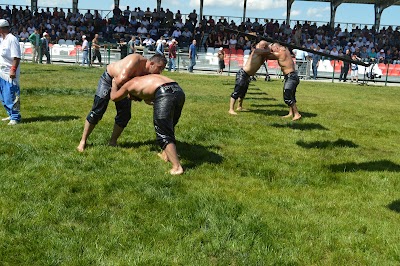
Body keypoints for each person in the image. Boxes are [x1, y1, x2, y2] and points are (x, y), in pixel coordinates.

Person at [77, 54, 167, 152]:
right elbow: (120, 80)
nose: (160, 72)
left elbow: (144, 91)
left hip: (125, 86)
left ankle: (112, 141)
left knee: (124, 115)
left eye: (162, 69)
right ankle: (83, 141)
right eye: (159, 68)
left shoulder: (149, 74)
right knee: (97, 111)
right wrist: (133, 94)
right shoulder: (136, 60)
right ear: (152, 63)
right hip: (109, 79)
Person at [110, 74, 185, 175]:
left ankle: (177, 167)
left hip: (164, 92)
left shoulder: (128, 85)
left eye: (131, 98)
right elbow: (151, 98)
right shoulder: (144, 80)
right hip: (178, 90)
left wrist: (114, 84)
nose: (132, 100)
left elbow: (114, 97)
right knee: (169, 125)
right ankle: (166, 154)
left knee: (163, 132)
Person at [228, 40, 271, 115]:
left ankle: (239, 106)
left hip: (247, 75)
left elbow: (269, 55)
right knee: (237, 92)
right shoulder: (256, 51)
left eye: (264, 46)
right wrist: (270, 47)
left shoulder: (261, 55)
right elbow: (268, 51)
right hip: (243, 73)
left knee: (243, 92)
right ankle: (231, 109)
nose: (263, 47)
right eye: (263, 46)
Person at [267, 42, 301, 121]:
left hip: (291, 77)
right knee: (292, 95)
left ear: (277, 48)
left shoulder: (280, 53)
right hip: (293, 76)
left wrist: (265, 49)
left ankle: (297, 114)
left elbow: (268, 56)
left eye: (273, 50)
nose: (272, 51)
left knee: (287, 96)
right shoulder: (286, 50)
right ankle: (291, 113)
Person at [0, 19, 21, 125]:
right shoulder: (2, 40)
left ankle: (15, 116)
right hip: (1, 72)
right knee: (3, 95)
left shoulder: (12, 39)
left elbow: (16, 57)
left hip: (10, 72)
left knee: (11, 94)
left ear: (2, 29)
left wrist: (13, 70)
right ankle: (10, 113)